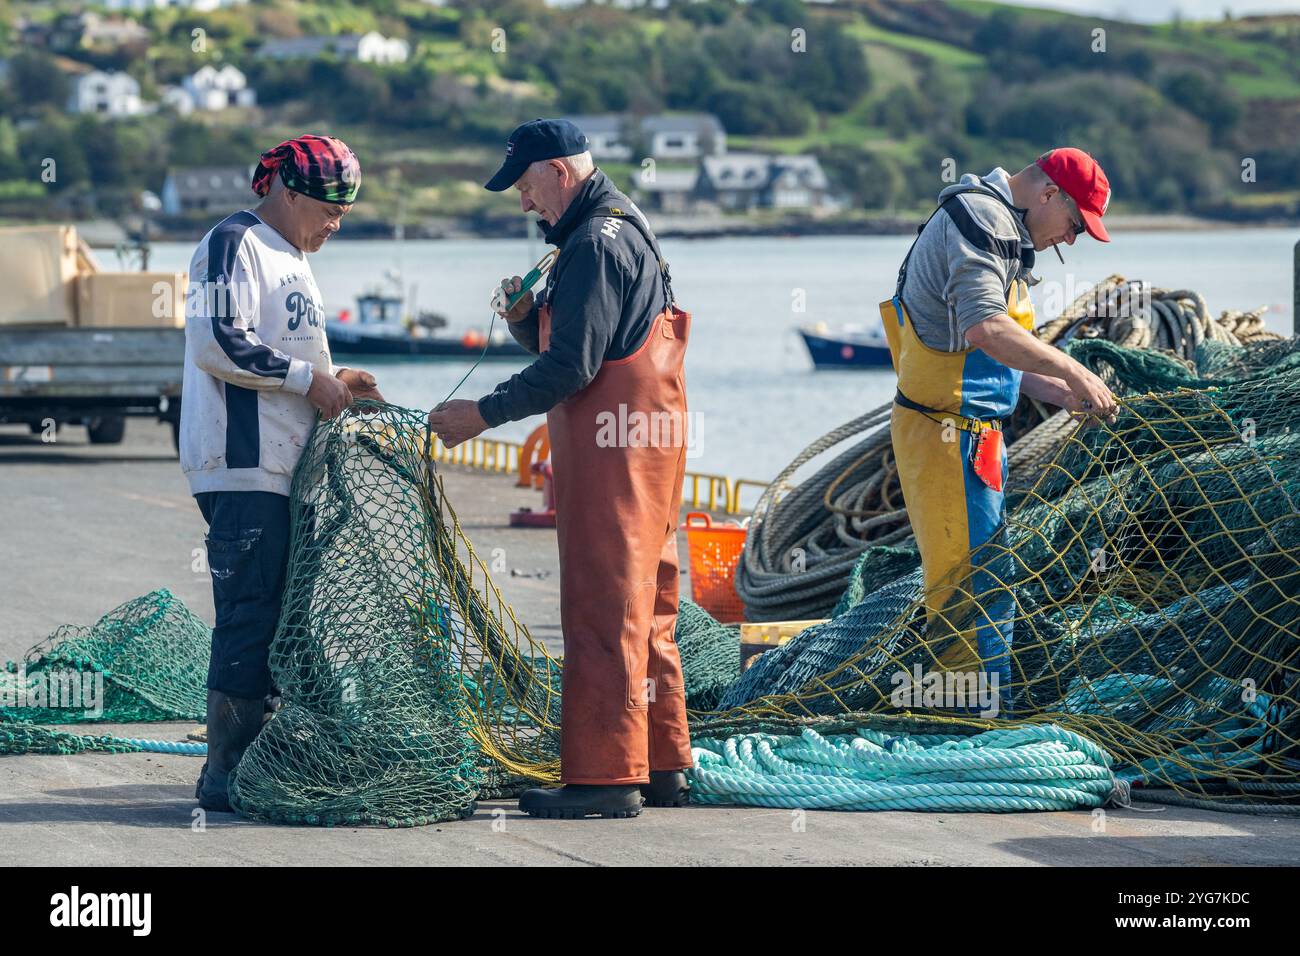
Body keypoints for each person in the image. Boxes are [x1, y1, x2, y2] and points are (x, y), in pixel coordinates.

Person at [428, 119, 693, 819]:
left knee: (603, 604)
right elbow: (594, 345)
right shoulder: (621, 226)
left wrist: (479, 414)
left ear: (558, 172)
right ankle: (661, 762)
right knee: (651, 606)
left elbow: (574, 367)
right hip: (651, 446)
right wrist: (524, 320)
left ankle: (606, 778)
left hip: (613, 454)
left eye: (524, 185)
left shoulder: (591, 247)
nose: (523, 202)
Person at [180, 134, 383, 811]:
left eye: (346, 211)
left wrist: (335, 379)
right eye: (330, 208)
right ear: (288, 193)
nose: (338, 222)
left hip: (284, 469)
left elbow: (286, 351)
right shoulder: (234, 241)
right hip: (242, 467)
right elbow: (219, 339)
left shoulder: (292, 255)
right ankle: (226, 774)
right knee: (251, 615)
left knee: (279, 616)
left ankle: (255, 760)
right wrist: (307, 380)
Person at [880, 147, 1119, 711]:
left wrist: (1057, 392)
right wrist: (1074, 368)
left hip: (970, 433)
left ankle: (968, 710)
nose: (1071, 239)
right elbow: (986, 327)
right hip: (946, 435)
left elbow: (986, 352)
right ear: (1048, 193)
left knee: (984, 580)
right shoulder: (982, 220)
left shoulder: (1004, 227)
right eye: (1074, 224)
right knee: (970, 590)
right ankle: (969, 725)